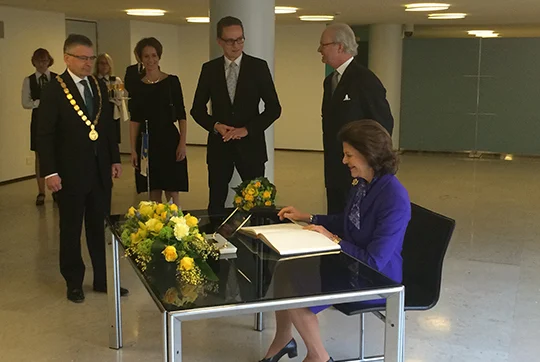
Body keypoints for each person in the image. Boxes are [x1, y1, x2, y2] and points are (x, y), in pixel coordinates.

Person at [261, 120, 411, 362]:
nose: (344, 161)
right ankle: (284, 339)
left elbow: (374, 261)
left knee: (297, 294)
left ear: (368, 154)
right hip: (350, 263)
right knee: (285, 270)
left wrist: (333, 239)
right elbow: (349, 221)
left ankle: (319, 357)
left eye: (349, 155)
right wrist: (308, 217)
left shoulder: (393, 198)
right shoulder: (363, 184)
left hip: (375, 278)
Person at [37, 34, 128, 303]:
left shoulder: (98, 86)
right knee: (71, 228)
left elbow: (107, 127)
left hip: (99, 170)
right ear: (67, 58)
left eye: (91, 58)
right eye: (82, 58)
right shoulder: (54, 89)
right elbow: (44, 135)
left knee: (100, 227)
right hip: (69, 173)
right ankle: (74, 281)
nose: (88, 63)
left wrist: (113, 158)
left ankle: (102, 279)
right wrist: (50, 172)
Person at [191, 16, 281, 215]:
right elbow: (196, 109)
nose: (236, 45)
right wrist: (215, 125)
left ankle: (257, 239)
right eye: (230, 41)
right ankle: (216, 239)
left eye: (240, 39)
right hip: (219, 147)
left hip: (251, 146)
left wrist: (247, 129)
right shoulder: (209, 69)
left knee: (258, 201)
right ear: (220, 42)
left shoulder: (258, 67)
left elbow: (274, 108)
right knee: (216, 200)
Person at [319, 23, 394, 214]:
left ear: (340, 46)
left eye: (323, 45)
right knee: (336, 214)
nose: (320, 50)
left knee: (355, 218)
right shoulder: (330, 81)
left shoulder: (365, 80)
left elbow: (383, 124)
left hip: (358, 167)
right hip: (335, 166)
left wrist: (369, 162)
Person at [129, 37, 188, 206]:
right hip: (147, 141)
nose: (151, 60)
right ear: (140, 58)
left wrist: (182, 143)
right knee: (153, 189)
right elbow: (135, 120)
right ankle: (156, 226)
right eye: (146, 56)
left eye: (154, 55)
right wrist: (133, 149)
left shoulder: (172, 82)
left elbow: (182, 115)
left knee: (172, 189)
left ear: (159, 56)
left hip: (169, 138)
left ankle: (176, 225)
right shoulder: (137, 85)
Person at [21, 48, 58, 205]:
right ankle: (41, 191)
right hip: (38, 120)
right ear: (34, 62)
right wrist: (40, 103)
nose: (42, 64)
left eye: (44, 61)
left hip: (56, 120)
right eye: (38, 61)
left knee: (57, 153)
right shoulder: (29, 80)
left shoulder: (57, 79)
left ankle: (57, 189)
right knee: (39, 156)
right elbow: (25, 102)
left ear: (49, 61)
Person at [94, 53, 124, 143]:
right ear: (97, 65)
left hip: (112, 113)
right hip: (97, 114)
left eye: (106, 63)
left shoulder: (116, 80)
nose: (104, 66)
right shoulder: (92, 79)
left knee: (112, 141)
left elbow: (120, 97)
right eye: (101, 63)